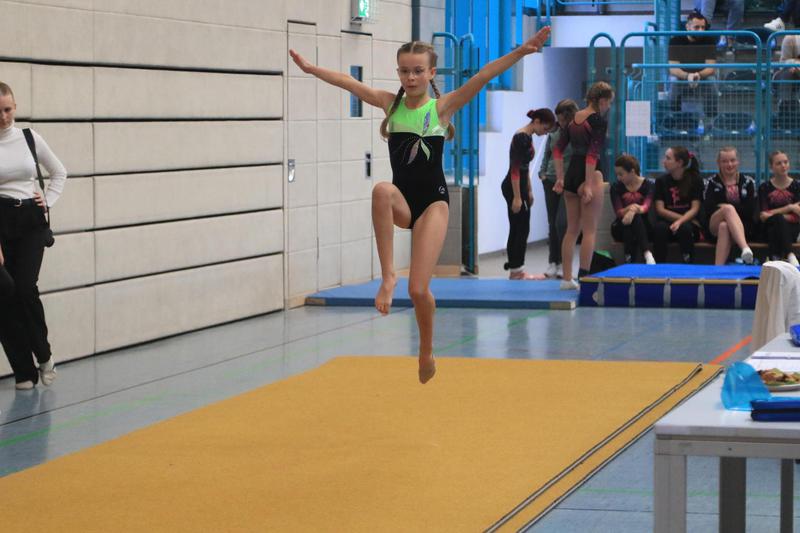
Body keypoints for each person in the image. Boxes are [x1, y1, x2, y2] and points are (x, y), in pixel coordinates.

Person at [290, 28, 551, 383]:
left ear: (431, 73)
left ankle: (426, 350)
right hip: (403, 202)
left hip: (433, 205)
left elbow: (482, 76)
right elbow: (349, 83)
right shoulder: (391, 105)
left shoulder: (441, 108)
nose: (410, 77)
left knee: (417, 290)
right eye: (404, 71)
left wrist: (521, 51)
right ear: (398, 72)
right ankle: (388, 276)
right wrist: (311, 69)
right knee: (381, 190)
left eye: (417, 71)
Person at [0, 82, 65, 390]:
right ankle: (23, 371)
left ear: (15, 107)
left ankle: (44, 355)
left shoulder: (29, 137)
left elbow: (59, 172)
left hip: (30, 221)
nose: (3, 117)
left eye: (7, 109)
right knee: (4, 295)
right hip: (0, 221)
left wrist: (47, 200)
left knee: (25, 289)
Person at [553, 81, 613, 290]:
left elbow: (557, 150)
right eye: (609, 102)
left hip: (571, 174)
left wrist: (560, 178)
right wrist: (587, 184)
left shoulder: (573, 120)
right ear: (602, 101)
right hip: (590, 175)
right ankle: (584, 278)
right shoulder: (597, 121)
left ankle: (566, 279)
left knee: (571, 230)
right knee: (589, 231)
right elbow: (592, 154)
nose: (609, 107)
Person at [502, 108, 555, 280]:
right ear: (537, 121)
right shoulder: (521, 138)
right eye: (545, 128)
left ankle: (515, 269)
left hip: (520, 186)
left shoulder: (527, 137)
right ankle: (517, 270)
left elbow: (525, 168)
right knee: (521, 228)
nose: (545, 133)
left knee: (519, 226)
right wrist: (518, 197)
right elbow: (515, 169)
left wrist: (529, 190)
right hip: (514, 186)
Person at [539, 99, 577, 278]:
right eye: (558, 119)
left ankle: (564, 262)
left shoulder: (577, 134)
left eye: (562, 120)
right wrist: (542, 173)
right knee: (552, 223)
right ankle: (553, 262)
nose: (559, 123)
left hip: (568, 182)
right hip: (550, 180)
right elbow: (547, 153)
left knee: (562, 223)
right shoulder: (554, 133)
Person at [703, 147, 756, 265]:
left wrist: (723, 206)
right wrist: (728, 209)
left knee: (725, 226)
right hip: (713, 225)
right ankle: (745, 247)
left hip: (743, 226)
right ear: (718, 163)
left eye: (732, 160)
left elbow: (749, 211)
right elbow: (708, 209)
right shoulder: (710, 182)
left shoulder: (748, 182)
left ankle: (718, 268)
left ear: (738, 161)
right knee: (728, 210)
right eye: (725, 161)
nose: (729, 164)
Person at [653, 147, 704, 263]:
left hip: (688, 224)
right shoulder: (661, 181)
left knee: (685, 228)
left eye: (668, 158)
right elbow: (660, 210)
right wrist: (679, 220)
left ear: (679, 163)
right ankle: (659, 265)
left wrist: (681, 222)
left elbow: (695, 208)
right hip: (669, 222)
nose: (664, 161)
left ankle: (688, 263)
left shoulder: (695, 180)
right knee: (660, 229)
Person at [668, 11, 719, 118]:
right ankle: (674, 115)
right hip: (682, 76)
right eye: (697, 27)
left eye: (703, 27)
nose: (701, 30)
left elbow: (710, 68)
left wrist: (698, 75)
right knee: (674, 81)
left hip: (702, 76)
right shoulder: (675, 41)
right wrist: (688, 76)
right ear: (688, 27)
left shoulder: (709, 40)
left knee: (712, 80)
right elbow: (673, 68)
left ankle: (711, 116)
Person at [610, 154, 657, 264]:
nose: (618, 178)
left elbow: (646, 207)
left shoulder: (648, 185)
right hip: (620, 225)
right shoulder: (616, 187)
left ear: (632, 172)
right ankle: (647, 253)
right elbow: (619, 212)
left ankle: (629, 261)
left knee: (632, 225)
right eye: (617, 175)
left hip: (644, 227)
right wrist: (632, 208)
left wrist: (633, 211)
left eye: (621, 174)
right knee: (628, 225)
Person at [758, 150, 800, 266]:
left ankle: (774, 260)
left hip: (792, 230)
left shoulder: (797, 186)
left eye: (785, 162)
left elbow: (797, 217)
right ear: (772, 167)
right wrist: (790, 207)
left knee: (777, 222)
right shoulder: (764, 187)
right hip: (768, 229)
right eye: (779, 163)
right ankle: (790, 255)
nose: (783, 165)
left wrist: (774, 215)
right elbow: (763, 217)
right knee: (777, 222)